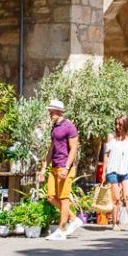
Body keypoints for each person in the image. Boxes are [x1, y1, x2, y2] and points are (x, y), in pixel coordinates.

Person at [43, 99, 81, 241]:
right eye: (49, 111)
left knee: (64, 198)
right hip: (54, 167)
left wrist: (66, 167)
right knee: (51, 197)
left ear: (59, 112)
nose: (49, 113)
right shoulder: (54, 127)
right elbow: (51, 148)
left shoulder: (69, 127)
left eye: (51, 111)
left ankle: (61, 229)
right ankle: (73, 219)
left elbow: (74, 149)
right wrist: (43, 168)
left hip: (65, 167)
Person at [102, 114, 128, 232]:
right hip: (112, 170)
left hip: (126, 170)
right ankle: (115, 222)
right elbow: (106, 156)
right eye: (116, 124)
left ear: (126, 125)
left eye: (120, 124)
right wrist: (104, 172)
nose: (118, 127)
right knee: (116, 198)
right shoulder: (111, 137)